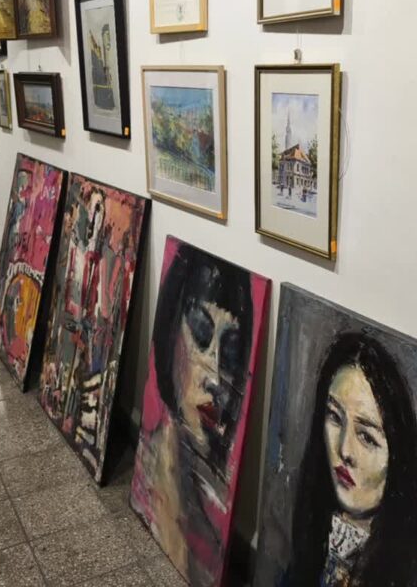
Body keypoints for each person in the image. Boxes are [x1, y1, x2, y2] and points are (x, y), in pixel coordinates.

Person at [132, 243, 254, 583]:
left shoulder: (209, 530)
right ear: (171, 331)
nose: (214, 376)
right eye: (200, 333)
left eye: (230, 352)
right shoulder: (150, 481)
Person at [287, 332, 417, 587]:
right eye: (334, 417)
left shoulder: (399, 573)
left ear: (397, 460)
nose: (345, 450)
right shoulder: (310, 541)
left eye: (367, 437)